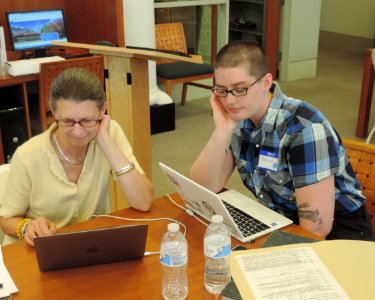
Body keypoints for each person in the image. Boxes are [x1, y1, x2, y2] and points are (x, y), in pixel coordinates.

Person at [190, 40, 374, 241]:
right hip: (279, 220)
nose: (230, 100)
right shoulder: (239, 118)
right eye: (222, 90)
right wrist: (222, 130)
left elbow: (315, 229)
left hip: (339, 232)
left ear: (266, 82)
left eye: (240, 89)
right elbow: (203, 189)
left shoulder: (304, 129)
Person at [0, 68, 154, 246]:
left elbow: (143, 202)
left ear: (103, 111)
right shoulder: (27, 155)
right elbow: (6, 220)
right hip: (36, 251)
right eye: (67, 121)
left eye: (87, 120)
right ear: (54, 112)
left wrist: (104, 140)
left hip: (88, 245)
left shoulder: (109, 133)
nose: (78, 131)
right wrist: (27, 227)